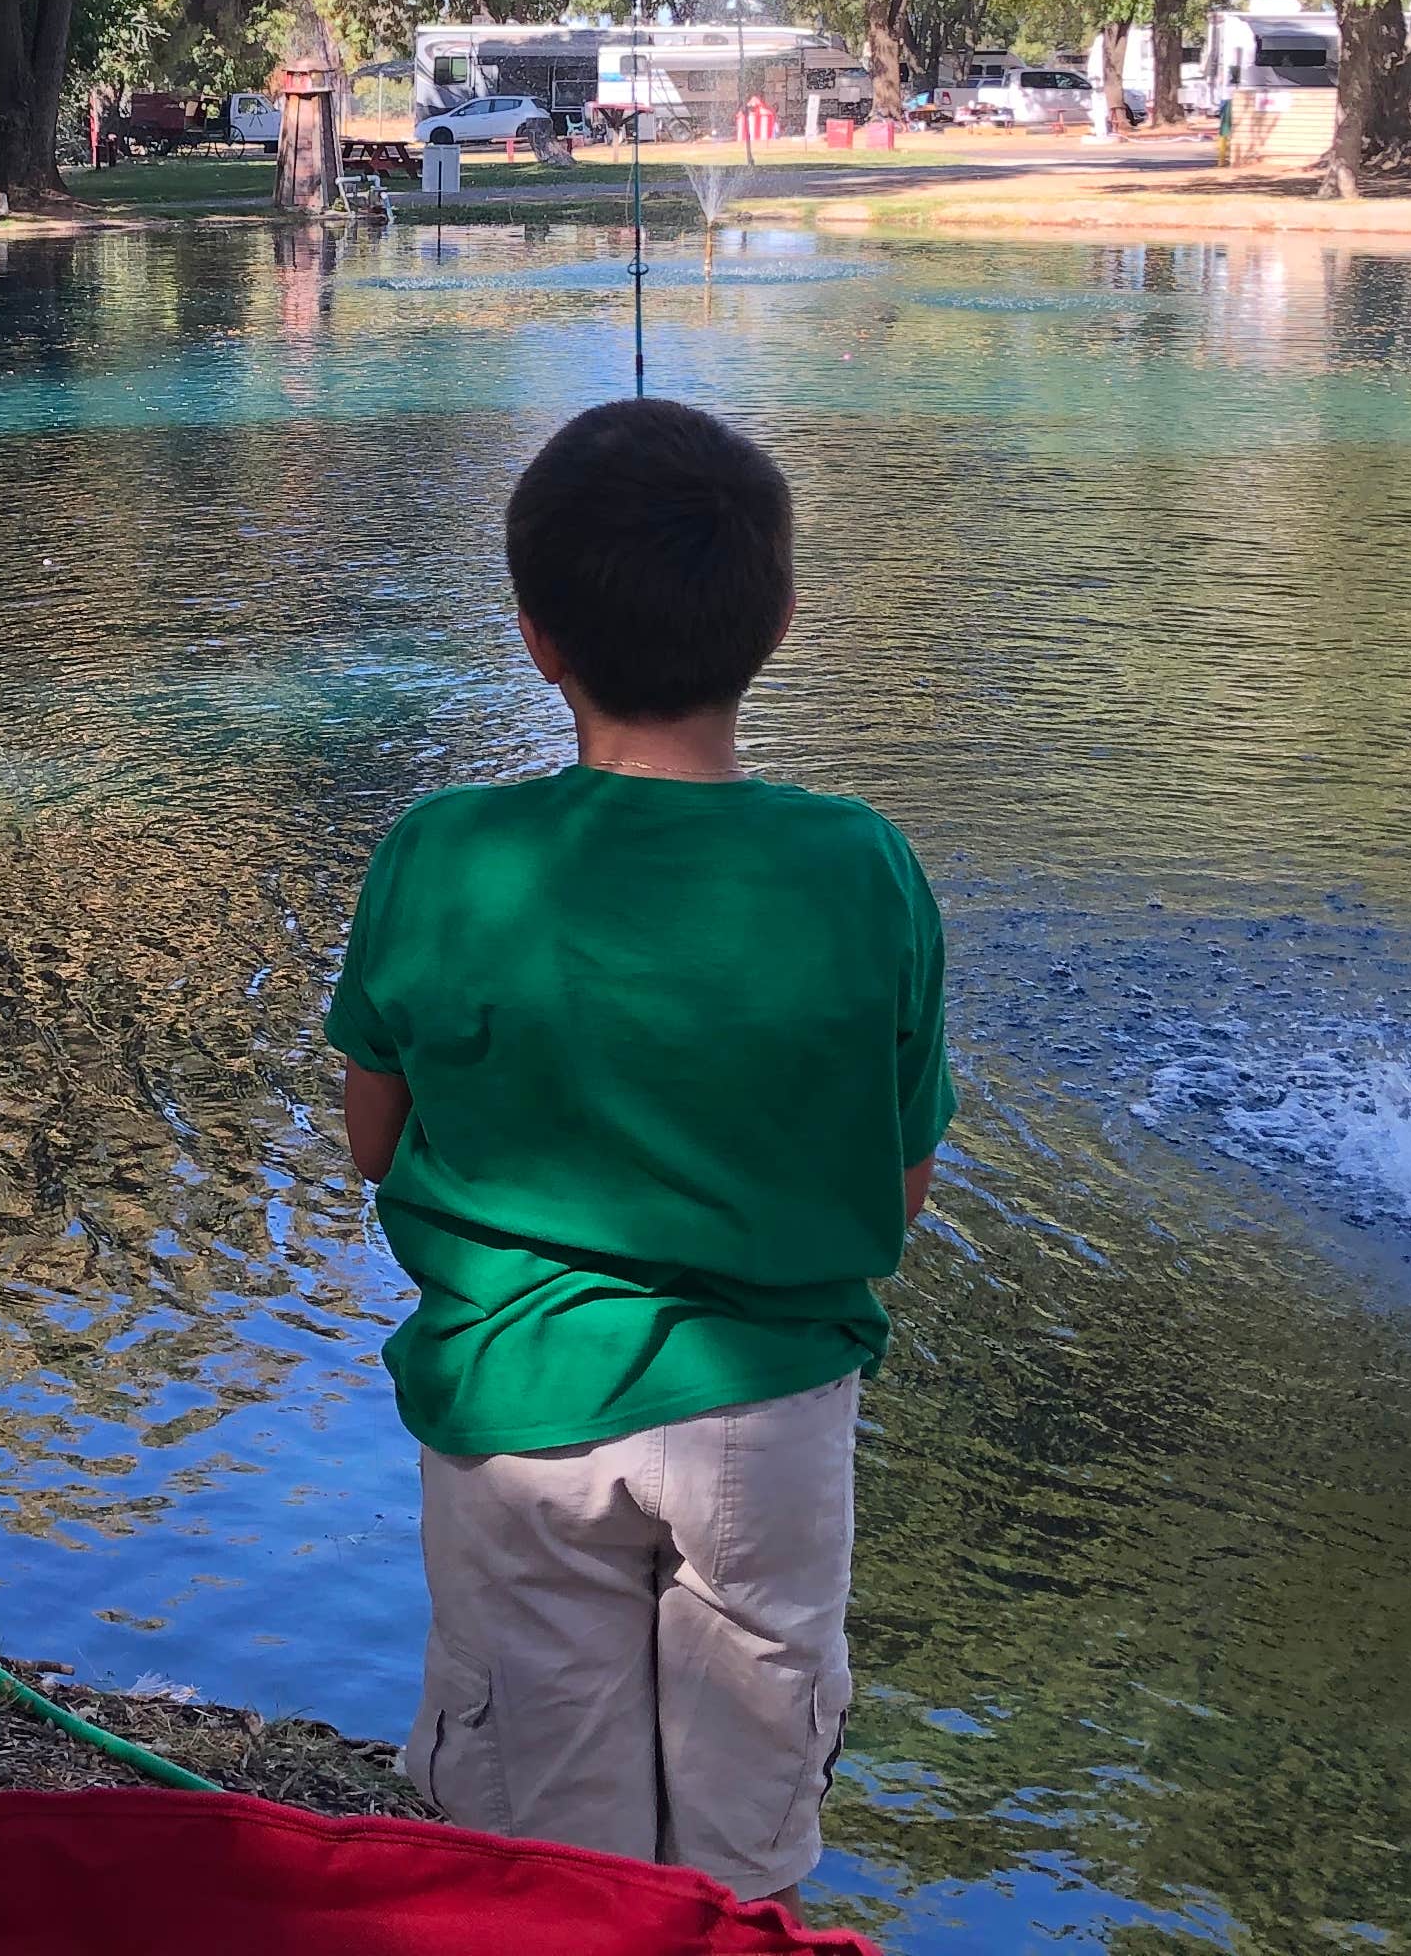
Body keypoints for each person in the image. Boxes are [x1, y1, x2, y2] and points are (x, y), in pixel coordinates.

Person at [324, 397, 954, 1915]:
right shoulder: (859, 862)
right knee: (744, 1856)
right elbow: (903, 1189)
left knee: (543, 1846)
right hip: (772, 1417)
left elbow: (371, 1139)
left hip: (517, 1417)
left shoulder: (443, 851)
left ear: (538, 638)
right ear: (780, 622)